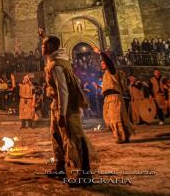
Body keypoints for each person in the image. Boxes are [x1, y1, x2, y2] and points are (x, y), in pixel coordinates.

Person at [39, 28, 96, 185]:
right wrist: (45, 36)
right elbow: (51, 57)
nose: (41, 47)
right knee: (56, 134)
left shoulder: (57, 66)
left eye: (44, 45)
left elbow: (62, 90)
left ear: (51, 47)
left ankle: (85, 174)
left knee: (75, 136)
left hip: (66, 106)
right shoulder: (57, 59)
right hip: (57, 104)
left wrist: (62, 114)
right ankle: (60, 167)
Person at [92, 45, 134, 143]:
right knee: (109, 119)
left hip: (115, 98)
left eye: (103, 63)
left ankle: (123, 137)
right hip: (108, 99)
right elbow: (109, 87)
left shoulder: (112, 71)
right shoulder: (106, 74)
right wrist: (100, 88)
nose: (101, 65)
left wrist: (100, 53)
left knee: (117, 119)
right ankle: (123, 135)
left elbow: (109, 63)